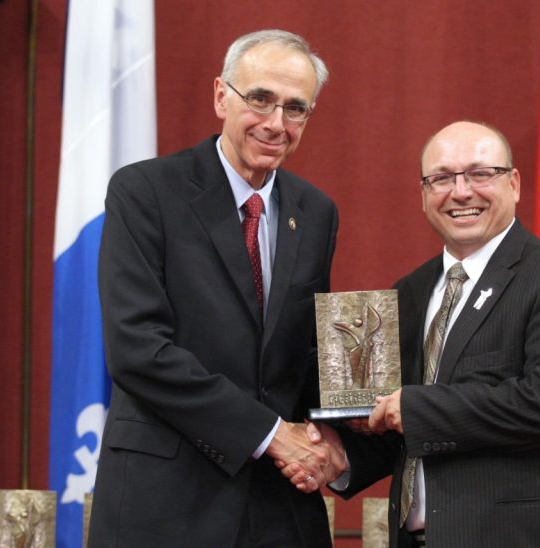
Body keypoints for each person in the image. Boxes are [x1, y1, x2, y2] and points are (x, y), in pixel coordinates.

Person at [285, 121, 540, 547]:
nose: (460, 192)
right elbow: (407, 429)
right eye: (441, 178)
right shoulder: (410, 292)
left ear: (514, 183)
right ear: (423, 195)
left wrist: (415, 409)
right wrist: (341, 457)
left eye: (480, 174)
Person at [88, 29, 344, 548]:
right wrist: (273, 436)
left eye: (295, 108)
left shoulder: (316, 212)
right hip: (165, 503)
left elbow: (307, 354)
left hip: (279, 510)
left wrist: (338, 437)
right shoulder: (145, 192)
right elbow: (137, 349)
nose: (276, 123)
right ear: (221, 96)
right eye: (260, 99)